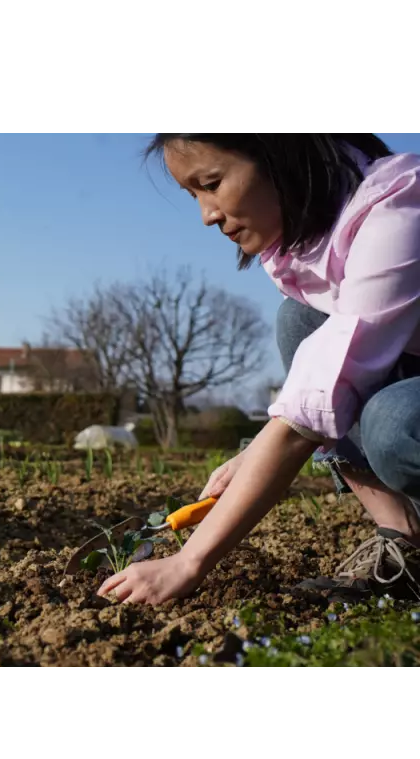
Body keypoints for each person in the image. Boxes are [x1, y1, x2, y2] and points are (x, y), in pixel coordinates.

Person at [98, 129, 420, 606]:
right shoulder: (302, 241)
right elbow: (317, 377)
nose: (206, 215)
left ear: (279, 153)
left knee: (394, 426)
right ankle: (405, 541)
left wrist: (189, 563)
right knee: (302, 320)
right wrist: (252, 457)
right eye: (193, 195)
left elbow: (312, 406)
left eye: (212, 183)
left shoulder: (399, 208)